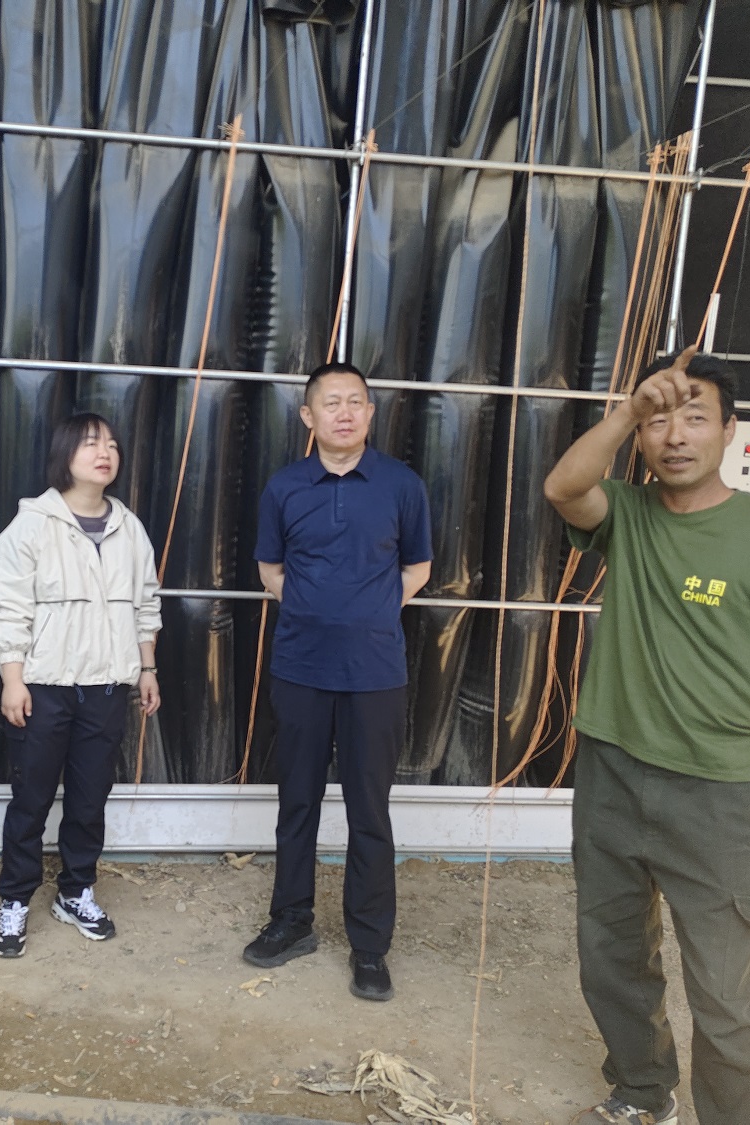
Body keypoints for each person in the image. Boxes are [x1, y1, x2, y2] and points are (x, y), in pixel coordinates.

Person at [544, 347, 750, 1125]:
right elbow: (563, 487)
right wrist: (626, 410)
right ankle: (643, 1091)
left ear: (731, 430)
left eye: (695, 416)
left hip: (717, 790)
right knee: (611, 954)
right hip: (611, 771)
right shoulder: (626, 515)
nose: (675, 435)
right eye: (659, 420)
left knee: (724, 987)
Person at [243, 362, 432, 1002]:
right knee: (296, 802)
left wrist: (370, 612)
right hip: (300, 667)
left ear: (371, 413)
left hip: (375, 673)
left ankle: (370, 946)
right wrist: (313, 609)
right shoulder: (285, 487)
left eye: (356, 402)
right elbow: (270, 569)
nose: (344, 413)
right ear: (309, 416)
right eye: (331, 403)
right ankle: (291, 921)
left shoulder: (401, 485)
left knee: (368, 811)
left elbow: (418, 566)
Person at [0, 413, 162, 958]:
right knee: (31, 798)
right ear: (64, 454)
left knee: (90, 798)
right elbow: (7, 608)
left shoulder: (129, 529)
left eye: (112, 445)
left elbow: (146, 604)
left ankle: (75, 891)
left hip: (106, 689)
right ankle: (15, 898)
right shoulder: (32, 525)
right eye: (90, 444)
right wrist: (12, 680)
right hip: (44, 688)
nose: (105, 453)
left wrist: (147, 669)